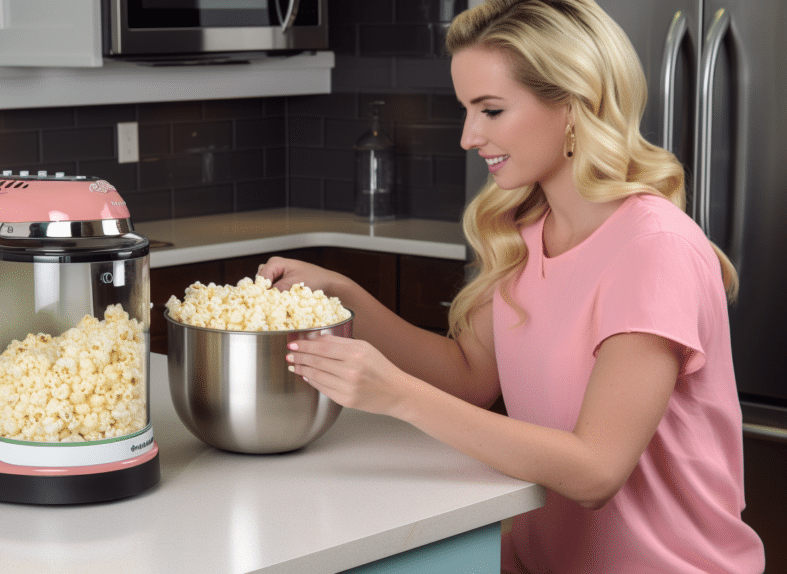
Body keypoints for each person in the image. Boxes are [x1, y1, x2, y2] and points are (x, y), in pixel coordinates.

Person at [257, 0, 765, 572]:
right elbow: (469, 375)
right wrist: (346, 297)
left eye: (491, 110)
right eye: (466, 111)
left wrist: (394, 394)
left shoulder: (652, 249)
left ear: (572, 106)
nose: (469, 136)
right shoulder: (527, 230)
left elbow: (596, 471)